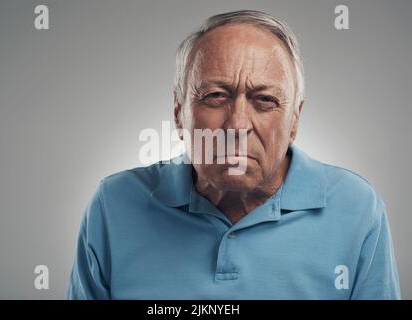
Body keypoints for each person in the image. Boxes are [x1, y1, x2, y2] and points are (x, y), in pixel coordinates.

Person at [67, 10, 401, 299]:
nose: (238, 125)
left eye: (265, 100)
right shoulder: (114, 205)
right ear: (179, 111)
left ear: (294, 120)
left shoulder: (356, 208)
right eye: (215, 95)